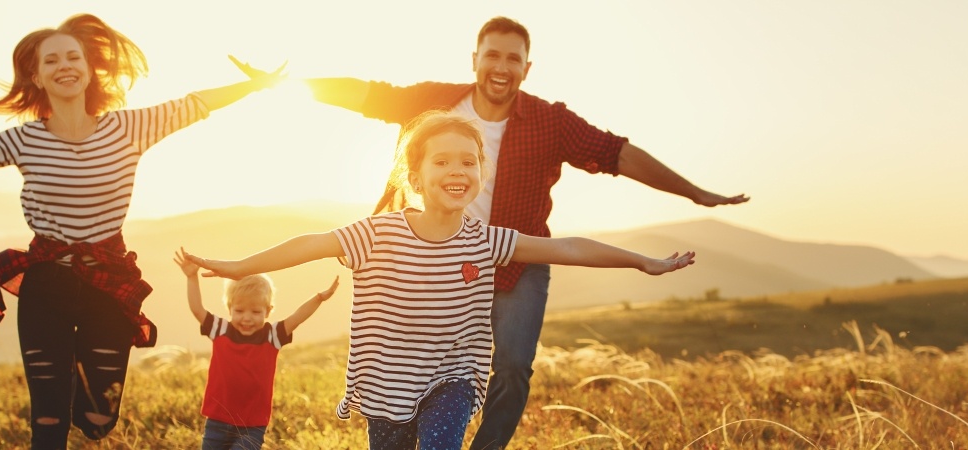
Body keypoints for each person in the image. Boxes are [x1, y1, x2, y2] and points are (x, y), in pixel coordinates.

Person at [231, 16, 747, 448]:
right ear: (475, 58)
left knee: (514, 366)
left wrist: (695, 193)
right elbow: (366, 95)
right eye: (492, 55)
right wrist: (280, 84)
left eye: (513, 59)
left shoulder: (549, 121)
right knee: (408, 363)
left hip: (513, 256)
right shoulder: (435, 103)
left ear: (527, 67)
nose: (501, 67)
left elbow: (618, 154)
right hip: (427, 256)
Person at [181, 110, 696, 449]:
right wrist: (238, 267)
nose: (458, 169)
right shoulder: (377, 234)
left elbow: (566, 247)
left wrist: (641, 261)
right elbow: (311, 244)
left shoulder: (483, 240)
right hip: (385, 387)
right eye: (442, 160)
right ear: (415, 176)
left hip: (453, 377)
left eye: (468, 161)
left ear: (480, 173)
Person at [0, 13, 282, 448]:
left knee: (97, 419)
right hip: (46, 284)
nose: (64, 66)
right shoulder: (22, 140)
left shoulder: (128, 128)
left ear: (90, 67)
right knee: (49, 421)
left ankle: (71, 381)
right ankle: (55, 383)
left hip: (108, 283)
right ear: (36, 76)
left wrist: (254, 85)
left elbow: (194, 104)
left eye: (73, 56)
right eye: (51, 60)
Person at [174, 252, 339, 450]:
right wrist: (192, 277)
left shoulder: (272, 336)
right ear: (230, 308)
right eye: (240, 311)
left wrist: (319, 298)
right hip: (217, 420)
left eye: (256, 312)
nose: (247, 318)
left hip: (252, 426)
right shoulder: (221, 330)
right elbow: (197, 309)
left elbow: (297, 318)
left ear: (268, 311)